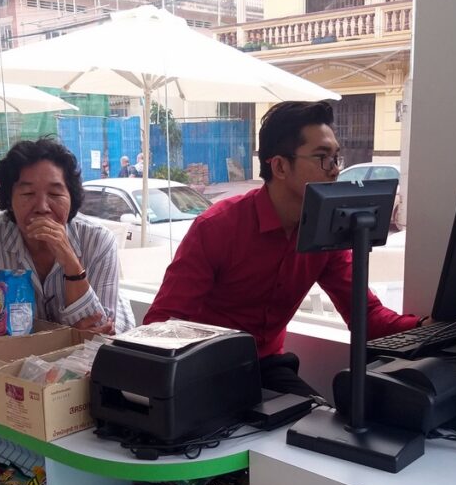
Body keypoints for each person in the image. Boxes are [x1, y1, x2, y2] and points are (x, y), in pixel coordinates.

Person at [143, 100, 422, 396]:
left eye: (337, 158)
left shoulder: (327, 233)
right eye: (323, 158)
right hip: (203, 372)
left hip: (267, 368)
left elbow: (366, 317)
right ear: (279, 166)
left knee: (320, 423)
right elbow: (159, 326)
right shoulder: (217, 228)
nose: (335, 171)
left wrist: (429, 327)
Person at [0, 137, 135, 334]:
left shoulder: (98, 241)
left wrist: (71, 264)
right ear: (9, 199)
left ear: (71, 197)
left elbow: (100, 332)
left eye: (55, 194)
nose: (42, 208)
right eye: (28, 194)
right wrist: (67, 336)